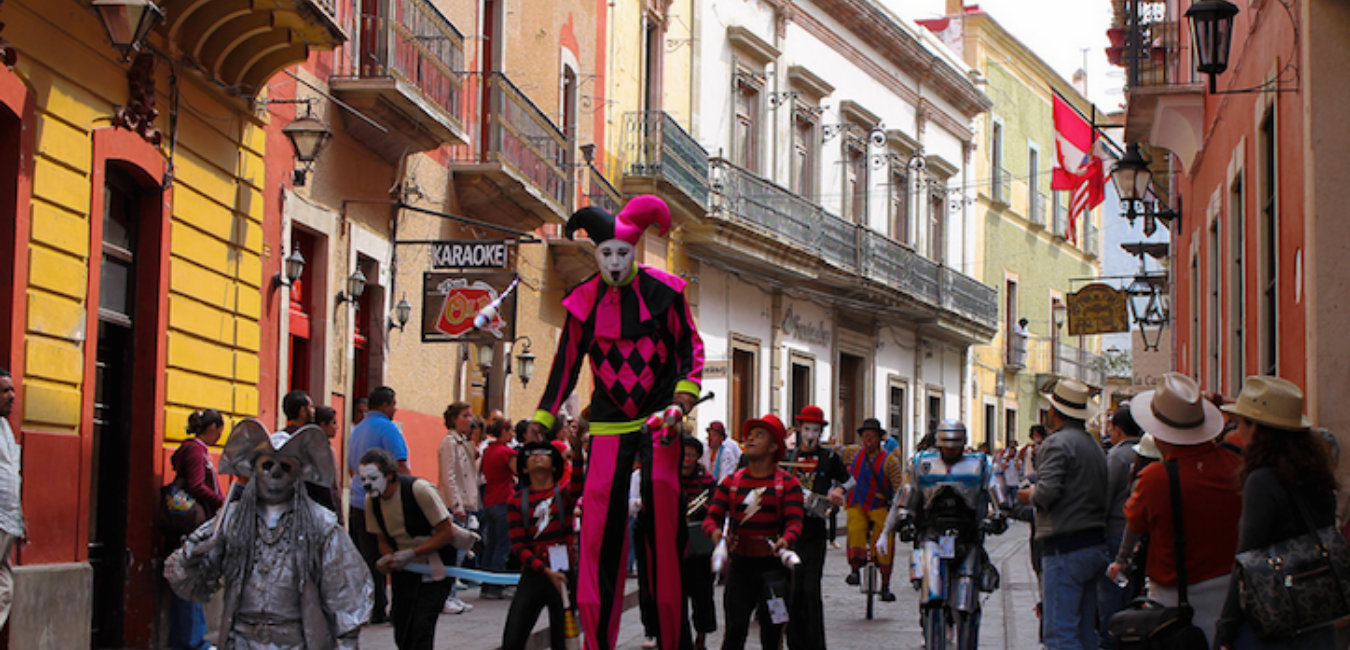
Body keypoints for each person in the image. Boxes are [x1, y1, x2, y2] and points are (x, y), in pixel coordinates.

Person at [528, 195, 705, 650]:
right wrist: (545, 416)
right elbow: (565, 364)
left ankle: (671, 639)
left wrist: (681, 402)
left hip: (659, 422)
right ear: (596, 254)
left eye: (621, 253)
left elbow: (689, 350)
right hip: (607, 425)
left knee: (663, 517)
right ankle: (597, 643)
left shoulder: (665, 293)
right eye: (604, 253)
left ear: (635, 250)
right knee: (597, 536)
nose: (612, 262)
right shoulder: (584, 302)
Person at [166, 422, 372, 648]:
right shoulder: (233, 519)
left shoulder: (320, 524)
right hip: (241, 641)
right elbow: (197, 583)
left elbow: (347, 594)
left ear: (299, 474)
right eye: (267, 466)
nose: (275, 474)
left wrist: (347, 643)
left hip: (296, 642)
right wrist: (195, 554)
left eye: (285, 467)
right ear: (254, 470)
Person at [1105, 373, 1242, 648]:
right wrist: (1220, 401)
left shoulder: (1156, 478)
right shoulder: (1234, 460)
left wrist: (1121, 562)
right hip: (1231, 594)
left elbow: (1134, 522)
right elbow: (1261, 425)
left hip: (1174, 601)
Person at [1214, 376, 1336, 650]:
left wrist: (1226, 625)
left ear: (1258, 428)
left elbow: (1247, 558)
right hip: (1315, 613)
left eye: (1242, 422)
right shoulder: (1317, 476)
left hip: (1273, 618)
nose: (1238, 430)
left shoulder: (1263, 481)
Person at [880, 419, 1008, 650]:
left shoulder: (981, 463)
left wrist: (998, 516)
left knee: (967, 605)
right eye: (946, 445)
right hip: (932, 534)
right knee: (932, 597)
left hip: (968, 535)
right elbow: (908, 493)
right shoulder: (921, 462)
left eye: (955, 446)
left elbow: (995, 491)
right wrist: (904, 519)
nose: (950, 450)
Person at [1020, 379, 1109, 650]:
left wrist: (1028, 494)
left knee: (1060, 634)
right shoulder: (1094, 446)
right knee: (1085, 632)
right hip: (1093, 544)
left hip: (1065, 548)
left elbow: (1047, 494)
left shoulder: (1057, 444)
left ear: (1055, 411)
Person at [702, 414, 804, 650]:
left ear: (774, 447)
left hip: (774, 571)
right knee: (734, 633)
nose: (750, 440)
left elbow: (795, 524)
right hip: (740, 568)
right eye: (749, 435)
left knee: (772, 636)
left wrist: (786, 540)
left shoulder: (788, 484)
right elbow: (711, 518)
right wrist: (715, 534)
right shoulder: (730, 482)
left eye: (760, 436)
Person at [360, 448, 478, 650]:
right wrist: (389, 558)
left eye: (372, 477)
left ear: (389, 474)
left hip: (435, 568)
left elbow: (446, 532)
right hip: (406, 572)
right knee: (402, 628)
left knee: (421, 628)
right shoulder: (372, 501)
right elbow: (381, 538)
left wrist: (412, 553)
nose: (367, 484)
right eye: (362, 479)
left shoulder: (419, 490)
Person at [502, 436, 586, 650]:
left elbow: (578, 485)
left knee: (562, 641)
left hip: (564, 574)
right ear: (524, 468)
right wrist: (544, 571)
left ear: (555, 465)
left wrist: (576, 454)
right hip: (535, 573)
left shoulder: (564, 494)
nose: (538, 456)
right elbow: (518, 546)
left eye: (545, 453)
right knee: (513, 638)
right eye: (531, 454)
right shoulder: (516, 501)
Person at [782, 405, 852, 650]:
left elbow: (850, 479)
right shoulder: (787, 457)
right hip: (790, 531)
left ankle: (815, 645)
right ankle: (794, 643)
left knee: (811, 589)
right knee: (793, 589)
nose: (811, 435)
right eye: (807, 429)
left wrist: (839, 490)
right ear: (799, 430)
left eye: (816, 430)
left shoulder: (829, 457)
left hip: (814, 531)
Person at [347, 386, 409, 624]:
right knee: (395, 555)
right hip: (384, 502)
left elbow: (352, 466)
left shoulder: (357, 429)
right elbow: (400, 465)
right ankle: (397, 608)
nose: (395, 408)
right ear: (385, 405)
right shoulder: (387, 428)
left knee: (369, 558)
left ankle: (375, 607)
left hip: (358, 500)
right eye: (393, 404)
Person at [167, 408, 226, 650]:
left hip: (190, 523)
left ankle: (191, 639)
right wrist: (222, 502)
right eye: (219, 432)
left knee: (192, 578)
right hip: (192, 524)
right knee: (190, 578)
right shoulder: (195, 451)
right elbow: (196, 485)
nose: (219, 437)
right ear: (212, 428)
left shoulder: (192, 449)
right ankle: (192, 642)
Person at [840, 418, 906, 601]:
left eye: (873, 436)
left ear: (879, 439)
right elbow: (834, 452)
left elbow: (898, 486)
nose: (869, 440)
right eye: (866, 436)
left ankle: (885, 584)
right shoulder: (853, 453)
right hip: (857, 503)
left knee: (885, 539)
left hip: (878, 505)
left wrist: (898, 507)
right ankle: (854, 569)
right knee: (854, 527)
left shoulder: (890, 461)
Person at [1098, 402, 1142, 647]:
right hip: (1138, 534)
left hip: (1116, 534)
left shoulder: (1117, 456)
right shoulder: (1145, 452)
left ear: (1117, 430)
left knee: (1110, 600)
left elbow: (1105, 497)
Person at [438, 401, 481, 615]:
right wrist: (456, 505)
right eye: (465, 415)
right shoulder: (449, 443)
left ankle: (452, 594)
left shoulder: (464, 442)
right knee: (453, 553)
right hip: (456, 505)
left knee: (462, 553)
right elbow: (449, 476)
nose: (469, 419)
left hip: (468, 502)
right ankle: (446, 596)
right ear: (454, 419)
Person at [680, 435, 717, 650]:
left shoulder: (708, 481)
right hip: (676, 545)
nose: (686, 459)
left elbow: (717, 508)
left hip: (700, 546)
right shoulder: (670, 479)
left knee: (702, 594)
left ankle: (701, 635)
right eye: (683, 455)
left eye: (691, 455)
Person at [480, 416, 518, 599]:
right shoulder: (506, 453)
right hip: (503, 500)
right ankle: (496, 586)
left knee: (491, 544)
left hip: (489, 500)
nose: (513, 434)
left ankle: (486, 584)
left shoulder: (488, 451)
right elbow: (519, 470)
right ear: (503, 431)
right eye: (510, 430)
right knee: (503, 545)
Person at [0, 369, 21, 634]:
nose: (12, 396)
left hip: (8, 519)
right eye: (5, 391)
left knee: (5, 588)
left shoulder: (6, 428)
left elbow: (12, 473)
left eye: (12, 390)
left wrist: (19, 515)